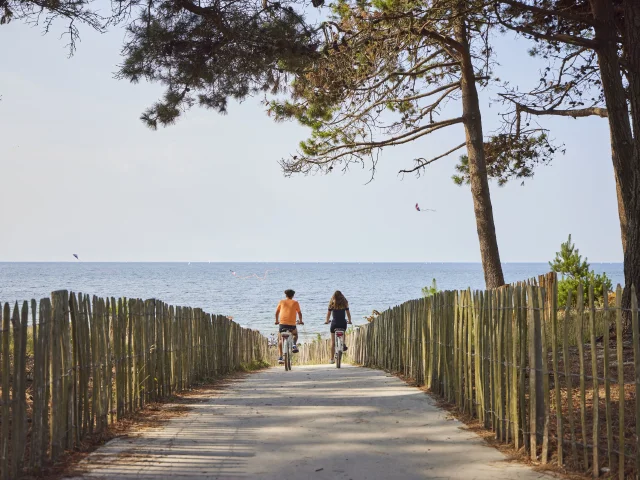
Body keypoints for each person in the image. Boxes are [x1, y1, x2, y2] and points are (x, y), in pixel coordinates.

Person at [275, 289, 303, 364]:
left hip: (282, 324)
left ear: (286, 295)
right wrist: (300, 321)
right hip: (292, 325)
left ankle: (280, 356)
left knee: (280, 339)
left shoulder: (281, 302)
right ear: (293, 295)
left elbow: (277, 312)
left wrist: (276, 321)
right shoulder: (295, 302)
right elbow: (299, 313)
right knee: (295, 335)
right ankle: (294, 344)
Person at [324, 290, 352, 363]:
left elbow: (328, 314)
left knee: (333, 343)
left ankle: (332, 359)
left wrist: (327, 321)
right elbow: (348, 313)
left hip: (334, 324)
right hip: (343, 323)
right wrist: (349, 321)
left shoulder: (332, 303)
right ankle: (343, 343)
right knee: (343, 331)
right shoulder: (345, 303)